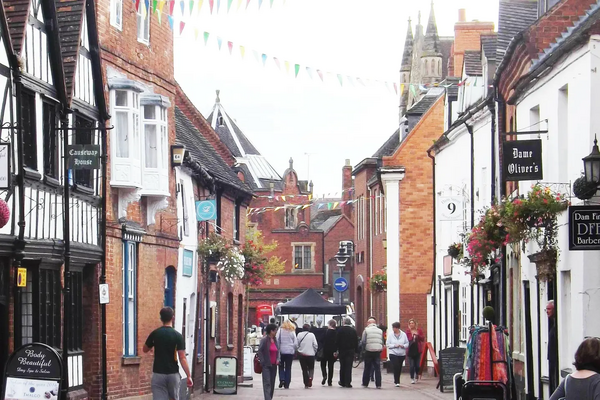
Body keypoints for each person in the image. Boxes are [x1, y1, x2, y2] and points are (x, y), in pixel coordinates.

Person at [143, 307, 193, 400]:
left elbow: (145, 349)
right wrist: (188, 376)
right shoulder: (178, 336)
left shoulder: (155, 334)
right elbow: (182, 358)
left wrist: (152, 347)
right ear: (172, 318)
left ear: (161, 318)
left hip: (158, 373)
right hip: (173, 374)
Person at [257, 324, 279, 400]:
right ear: (271, 331)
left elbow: (278, 351)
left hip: (274, 365)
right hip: (266, 365)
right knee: (267, 383)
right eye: (275, 330)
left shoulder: (276, 340)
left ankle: (270, 397)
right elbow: (260, 351)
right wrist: (262, 361)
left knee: (272, 383)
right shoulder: (264, 340)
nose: (276, 331)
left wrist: (278, 359)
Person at [361, 317, 384, 389]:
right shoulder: (380, 331)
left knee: (367, 367)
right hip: (377, 351)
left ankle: (365, 383)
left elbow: (363, 341)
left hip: (368, 350)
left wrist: (363, 350)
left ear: (369, 323)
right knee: (377, 368)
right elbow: (382, 341)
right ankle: (378, 384)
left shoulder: (366, 330)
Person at [336, 317, 358, 388]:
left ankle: (342, 381)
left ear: (344, 322)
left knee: (342, 366)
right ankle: (348, 382)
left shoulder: (340, 330)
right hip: (350, 351)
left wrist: (336, 349)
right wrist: (356, 351)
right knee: (349, 366)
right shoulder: (353, 331)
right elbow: (356, 341)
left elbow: (337, 341)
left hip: (342, 350)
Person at [275, 320, 297, 389]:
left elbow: (277, 339)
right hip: (290, 351)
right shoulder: (292, 331)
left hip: (281, 351)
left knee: (281, 366)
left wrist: (278, 348)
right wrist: (294, 349)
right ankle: (287, 383)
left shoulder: (280, 330)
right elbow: (295, 342)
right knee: (288, 367)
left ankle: (282, 379)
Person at [387, 322, 409, 387]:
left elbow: (407, 343)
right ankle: (396, 381)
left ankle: (397, 379)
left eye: (395, 328)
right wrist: (394, 345)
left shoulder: (404, 335)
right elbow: (388, 344)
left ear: (398, 328)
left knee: (399, 367)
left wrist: (403, 346)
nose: (393, 329)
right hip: (393, 353)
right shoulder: (390, 335)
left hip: (401, 354)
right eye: (393, 328)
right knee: (395, 366)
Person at [297, 324, 319, 388]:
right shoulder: (312, 335)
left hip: (302, 354)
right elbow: (315, 345)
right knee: (311, 368)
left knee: (304, 369)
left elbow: (296, 344)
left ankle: (306, 383)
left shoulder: (299, 334)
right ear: (309, 329)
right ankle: (310, 378)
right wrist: (314, 351)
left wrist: (298, 350)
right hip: (311, 355)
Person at [406, 318, 424, 384]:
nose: (411, 324)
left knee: (417, 365)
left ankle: (417, 375)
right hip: (410, 350)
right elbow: (407, 339)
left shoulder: (419, 331)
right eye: (410, 323)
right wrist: (412, 336)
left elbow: (422, 339)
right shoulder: (408, 331)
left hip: (417, 349)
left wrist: (417, 336)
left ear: (415, 324)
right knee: (411, 365)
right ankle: (412, 378)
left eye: (412, 323)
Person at [320, 319, 338, 386]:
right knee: (331, 366)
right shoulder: (336, 333)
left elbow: (321, 340)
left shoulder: (326, 332)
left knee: (323, 364)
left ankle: (324, 375)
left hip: (325, 350)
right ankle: (330, 381)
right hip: (332, 351)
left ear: (329, 325)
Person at [547, 300, 559, 393]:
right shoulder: (552, 324)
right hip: (551, 360)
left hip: (555, 360)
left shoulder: (557, 325)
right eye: (546, 309)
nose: (547, 311)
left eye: (549, 309)